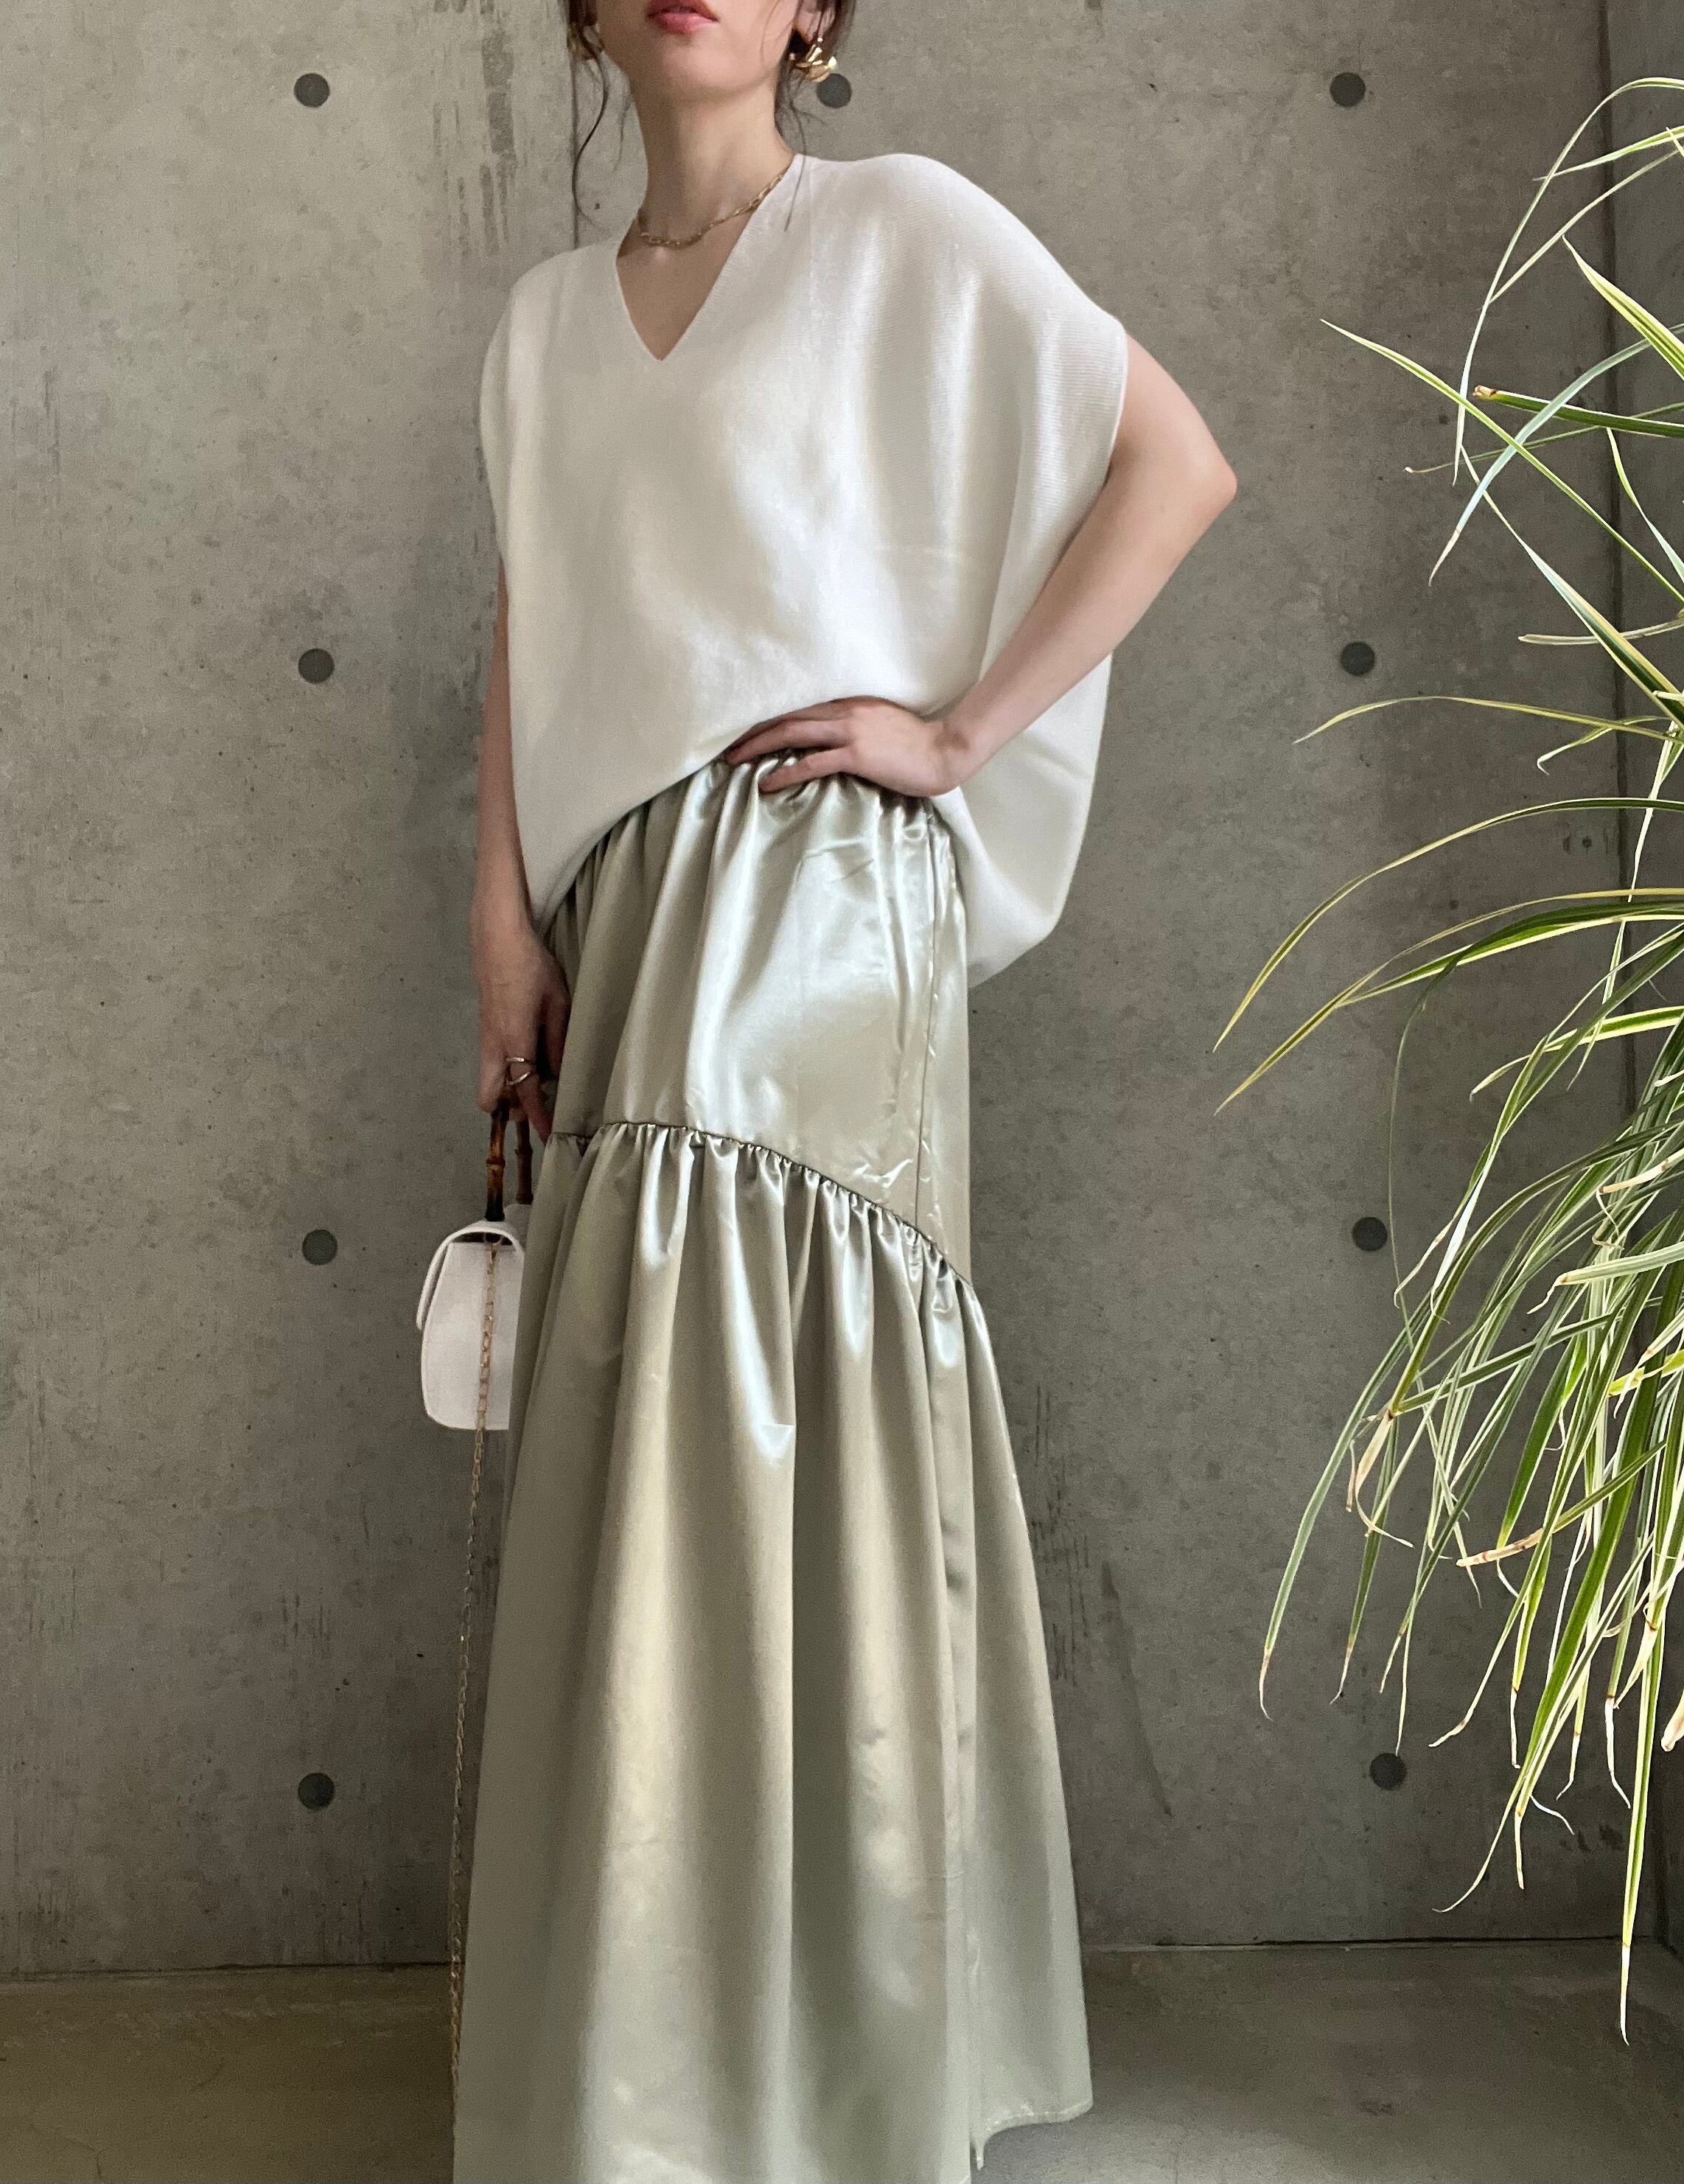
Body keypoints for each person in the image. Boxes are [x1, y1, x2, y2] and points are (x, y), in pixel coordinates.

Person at [454, 4, 1235, 2179]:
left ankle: (802, 2077)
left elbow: (1174, 464)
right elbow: (533, 624)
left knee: (764, 1395)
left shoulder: (905, 230)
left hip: (818, 887)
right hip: (623, 912)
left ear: (816, 13)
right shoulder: (538, 329)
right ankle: (670, 2066)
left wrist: (961, 737)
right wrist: (500, 927)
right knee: (660, 1424)